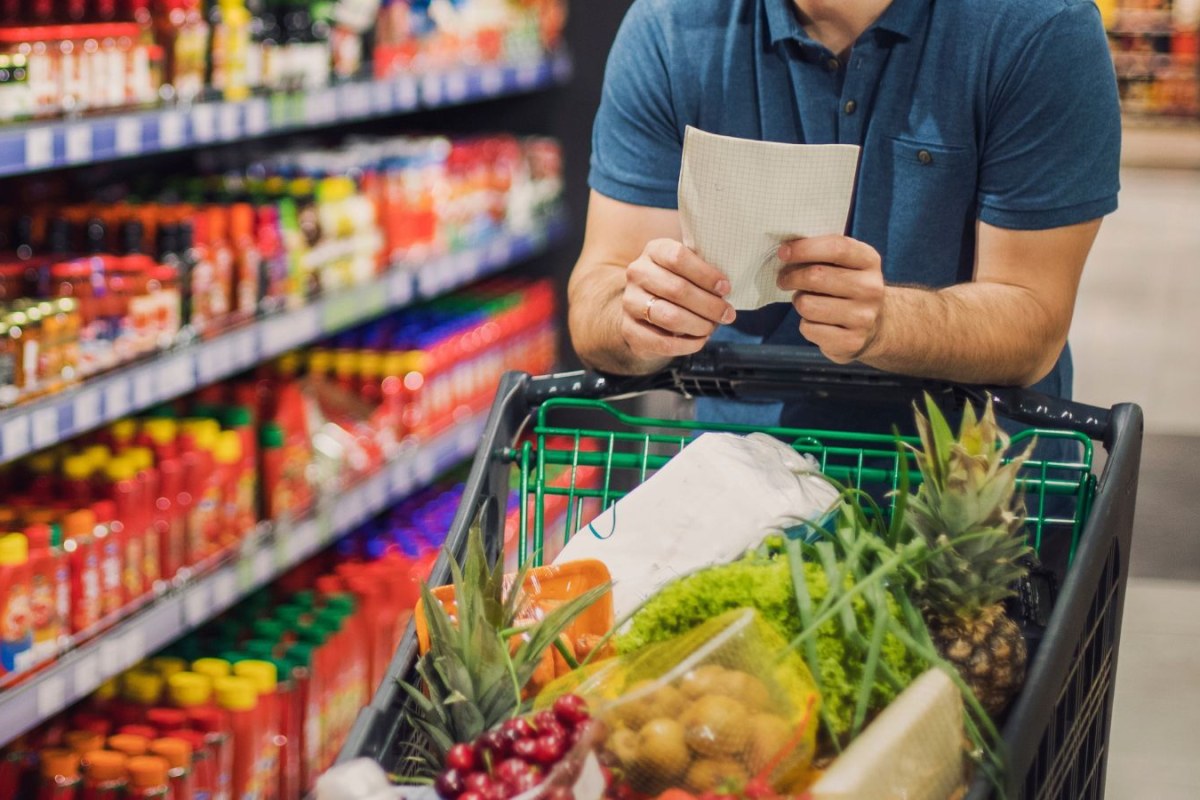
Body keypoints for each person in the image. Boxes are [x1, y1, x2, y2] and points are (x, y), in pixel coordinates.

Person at [567, 0, 1121, 434]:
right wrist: (636, 318)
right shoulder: (669, 29)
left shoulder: (1040, 27)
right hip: (737, 497)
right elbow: (598, 294)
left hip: (971, 506)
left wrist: (885, 322)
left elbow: (1033, 320)